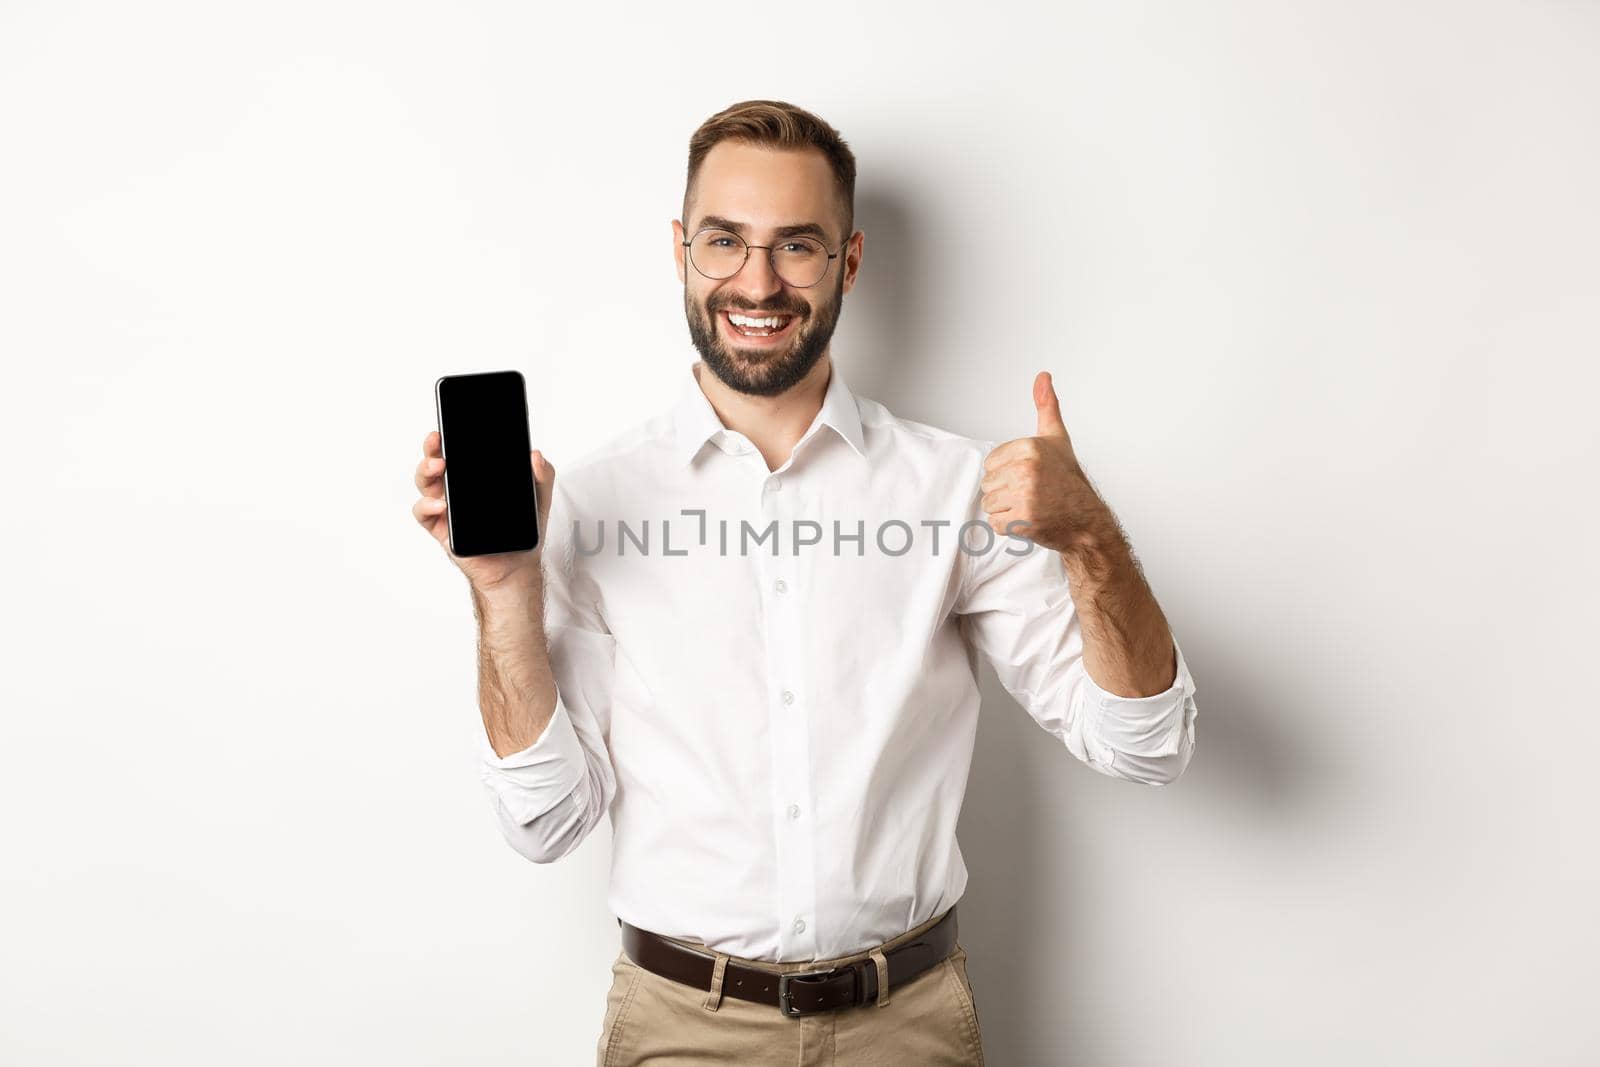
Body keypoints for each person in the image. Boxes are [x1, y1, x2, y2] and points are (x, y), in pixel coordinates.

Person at [411, 99, 1199, 1067]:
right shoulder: (587, 505)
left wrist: (1091, 541)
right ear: (679, 250)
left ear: (849, 262)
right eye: (724, 241)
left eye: (797, 246)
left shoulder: (956, 489)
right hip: (678, 1030)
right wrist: (501, 590)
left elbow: (1145, 745)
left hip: (907, 1027)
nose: (757, 280)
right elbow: (545, 819)